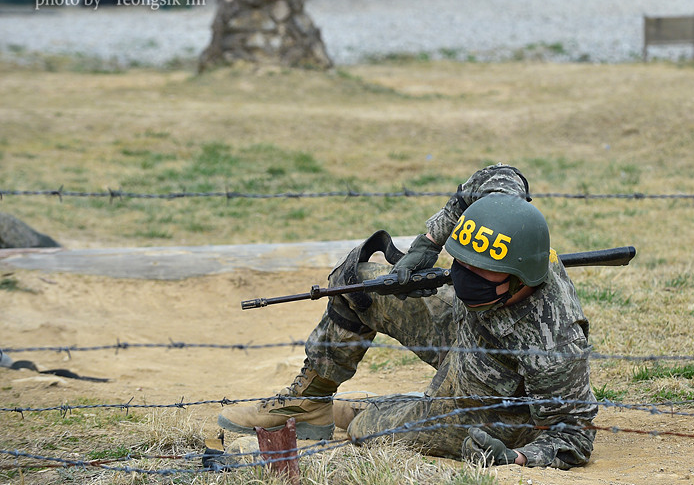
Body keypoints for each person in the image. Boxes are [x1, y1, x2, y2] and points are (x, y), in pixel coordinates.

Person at [218, 164, 598, 469]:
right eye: (461, 263)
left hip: (478, 409)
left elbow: (573, 438)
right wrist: (428, 246)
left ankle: (360, 413)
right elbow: (497, 176)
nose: (465, 275)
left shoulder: (554, 344)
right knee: (356, 284)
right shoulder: (505, 221)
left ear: (519, 279)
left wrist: (514, 457)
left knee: (366, 430)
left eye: (480, 271)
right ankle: (310, 404)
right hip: (464, 328)